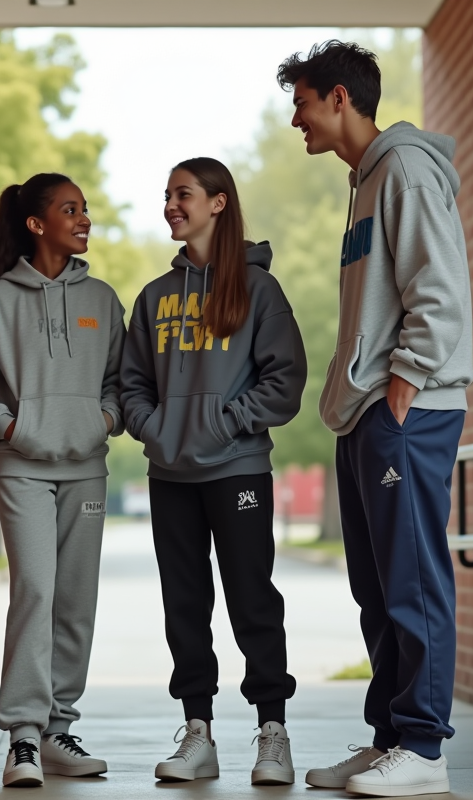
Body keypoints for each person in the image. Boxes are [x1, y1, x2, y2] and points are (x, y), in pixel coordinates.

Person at [279, 40, 473, 797]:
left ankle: (424, 750)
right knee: (376, 586)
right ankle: (390, 737)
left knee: (412, 578)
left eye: (301, 102)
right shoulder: (365, 182)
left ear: (337, 98)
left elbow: (441, 287)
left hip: (407, 410)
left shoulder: (406, 169)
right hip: (366, 410)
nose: (296, 118)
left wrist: (405, 380)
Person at [119, 157, 307, 786]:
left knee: (253, 598)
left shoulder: (259, 291)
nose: (171, 205)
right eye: (167, 195)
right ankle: (197, 733)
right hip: (170, 474)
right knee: (185, 603)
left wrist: (225, 425)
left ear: (218, 203)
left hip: (238, 470)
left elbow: (286, 382)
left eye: (183, 194)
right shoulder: (155, 297)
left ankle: (271, 732)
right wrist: (156, 428)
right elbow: (131, 385)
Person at [0, 173, 126, 788]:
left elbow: (121, 384)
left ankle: (59, 730)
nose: (84, 219)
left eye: (84, 209)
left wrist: (105, 418)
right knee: (37, 592)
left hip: (87, 471)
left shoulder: (102, 300)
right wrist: (11, 426)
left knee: (76, 600)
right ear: (36, 223)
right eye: (69, 210)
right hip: (22, 468)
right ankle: (23, 735)